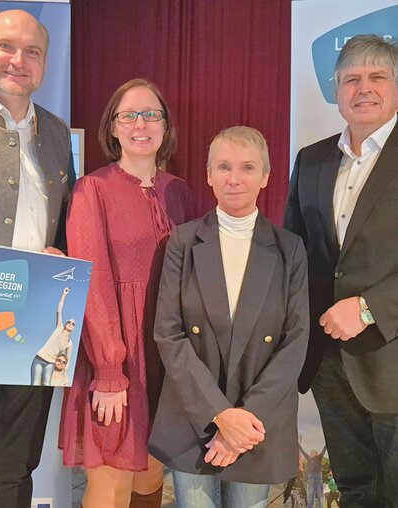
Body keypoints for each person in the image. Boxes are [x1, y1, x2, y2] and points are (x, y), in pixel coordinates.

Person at [149, 126, 309, 508]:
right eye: (223, 167)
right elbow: (169, 335)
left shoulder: (289, 250)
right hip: (195, 416)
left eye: (247, 167)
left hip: (258, 422)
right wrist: (219, 414)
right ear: (208, 175)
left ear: (266, 176)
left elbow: (295, 340)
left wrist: (243, 422)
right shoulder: (183, 242)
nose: (234, 179)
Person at [59, 78, 193, 508]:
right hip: (114, 355)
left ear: (165, 126)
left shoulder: (180, 191)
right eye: (128, 114)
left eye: (151, 114)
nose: (141, 123)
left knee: (151, 475)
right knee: (111, 486)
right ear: (113, 127)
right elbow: (92, 282)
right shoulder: (91, 190)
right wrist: (110, 369)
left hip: (166, 356)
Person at [284, 34, 398, 507]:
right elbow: (293, 254)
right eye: (351, 78)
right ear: (336, 90)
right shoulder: (311, 160)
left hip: (392, 359)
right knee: (356, 491)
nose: (363, 88)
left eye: (378, 77)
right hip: (330, 364)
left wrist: (371, 309)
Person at [0, 9, 75, 508]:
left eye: (32, 51)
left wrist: (60, 250)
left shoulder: (58, 133)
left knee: (16, 465)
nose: (18, 60)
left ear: (44, 62)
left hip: (33, 321)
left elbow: (64, 217)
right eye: (5, 46)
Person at [31, 287, 74, 385]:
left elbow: (68, 359)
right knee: (35, 383)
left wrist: (64, 373)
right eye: (69, 322)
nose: (71, 323)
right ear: (65, 323)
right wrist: (64, 294)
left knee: (47, 384)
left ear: (74, 328)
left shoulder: (69, 343)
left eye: (73, 323)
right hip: (39, 359)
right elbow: (59, 310)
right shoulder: (59, 328)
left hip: (50, 363)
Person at [299, 444, 326, 508]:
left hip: (318, 478)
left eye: (312, 452)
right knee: (310, 495)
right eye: (310, 452)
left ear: (316, 453)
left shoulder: (319, 457)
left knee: (320, 495)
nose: (310, 453)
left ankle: (321, 507)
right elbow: (302, 451)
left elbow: (324, 450)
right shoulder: (308, 458)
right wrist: (298, 444)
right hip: (311, 478)